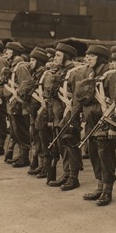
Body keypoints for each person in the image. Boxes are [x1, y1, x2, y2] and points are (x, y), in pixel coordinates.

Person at [74, 45, 116, 206]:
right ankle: (99, 186)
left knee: (106, 157)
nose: (87, 59)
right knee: (94, 155)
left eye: (91, 56)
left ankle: (107, 190)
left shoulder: (111, 76)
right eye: (87, 56)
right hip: (91, 124)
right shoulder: (91, 74)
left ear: (100, 58)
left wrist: (114, 126)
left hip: (105, 123)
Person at [44, 42, 83, 191]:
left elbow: (78, 97)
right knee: (62, 145)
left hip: (69, 114)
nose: (55, 58)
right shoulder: (60, 71)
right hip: (58, 114)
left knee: (71, 144)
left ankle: (73, 177)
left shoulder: (75, 72)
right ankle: (66, 174)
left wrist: (72, 117)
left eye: (58, 55)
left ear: (66, 56)